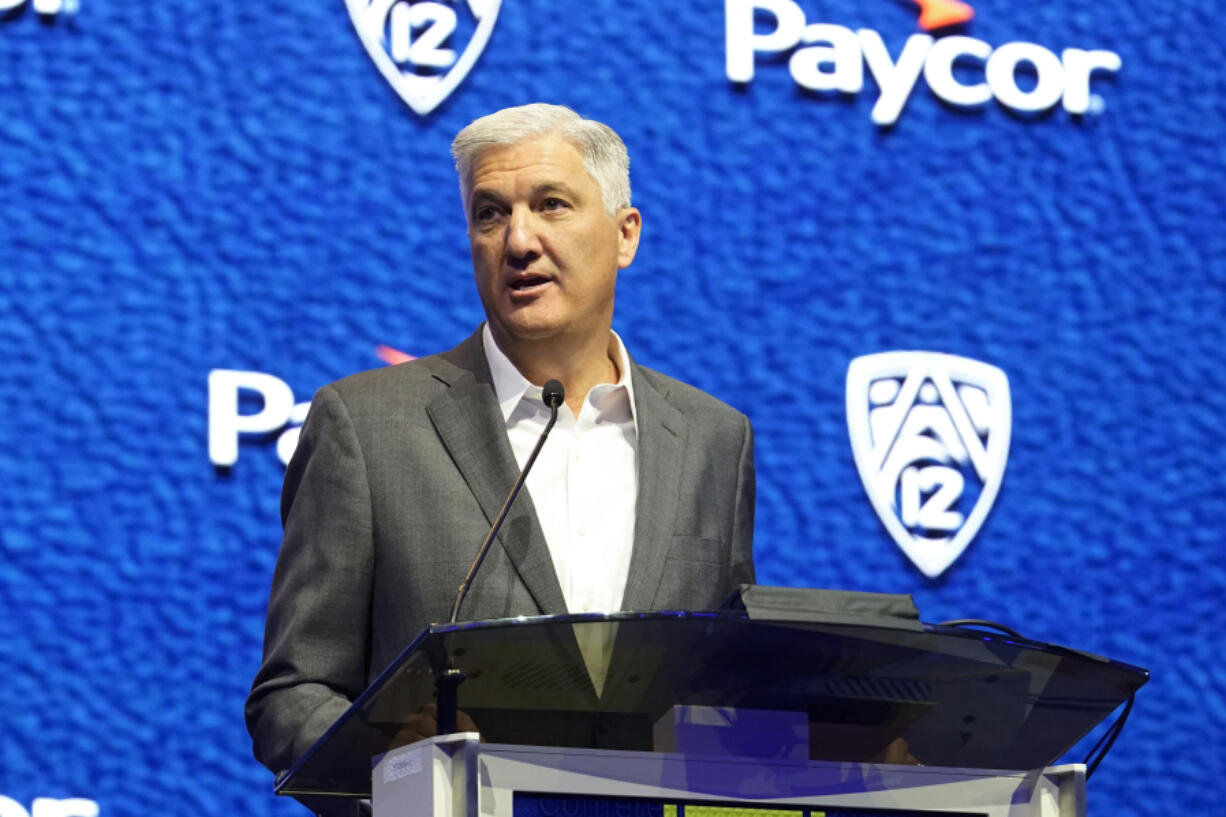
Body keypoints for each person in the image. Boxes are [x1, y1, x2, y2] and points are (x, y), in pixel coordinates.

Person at [244, 104, 755, 810]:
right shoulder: (367, 427)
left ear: (625, 234)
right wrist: (395, 773)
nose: (519, 240)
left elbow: (728, 687)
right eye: (490, 214)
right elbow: (293, 691)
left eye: (551, 205)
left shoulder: (713, 440)